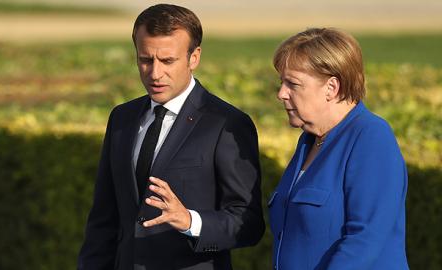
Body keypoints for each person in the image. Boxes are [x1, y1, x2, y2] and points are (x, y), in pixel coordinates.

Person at [77, 4, 265, 270]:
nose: (155, 73)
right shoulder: (122, 118)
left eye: (167, 61)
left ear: (194, 57)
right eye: (145, 60)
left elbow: (248, 224)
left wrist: (190, 221)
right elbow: (103, 220)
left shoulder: (228, 124)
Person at [268, 28, 409, 269]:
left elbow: (364, 241)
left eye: (293, 84)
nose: (281, 93)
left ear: (332, 88)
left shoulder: (371, 137)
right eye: (282, 82)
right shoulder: (309, 140)